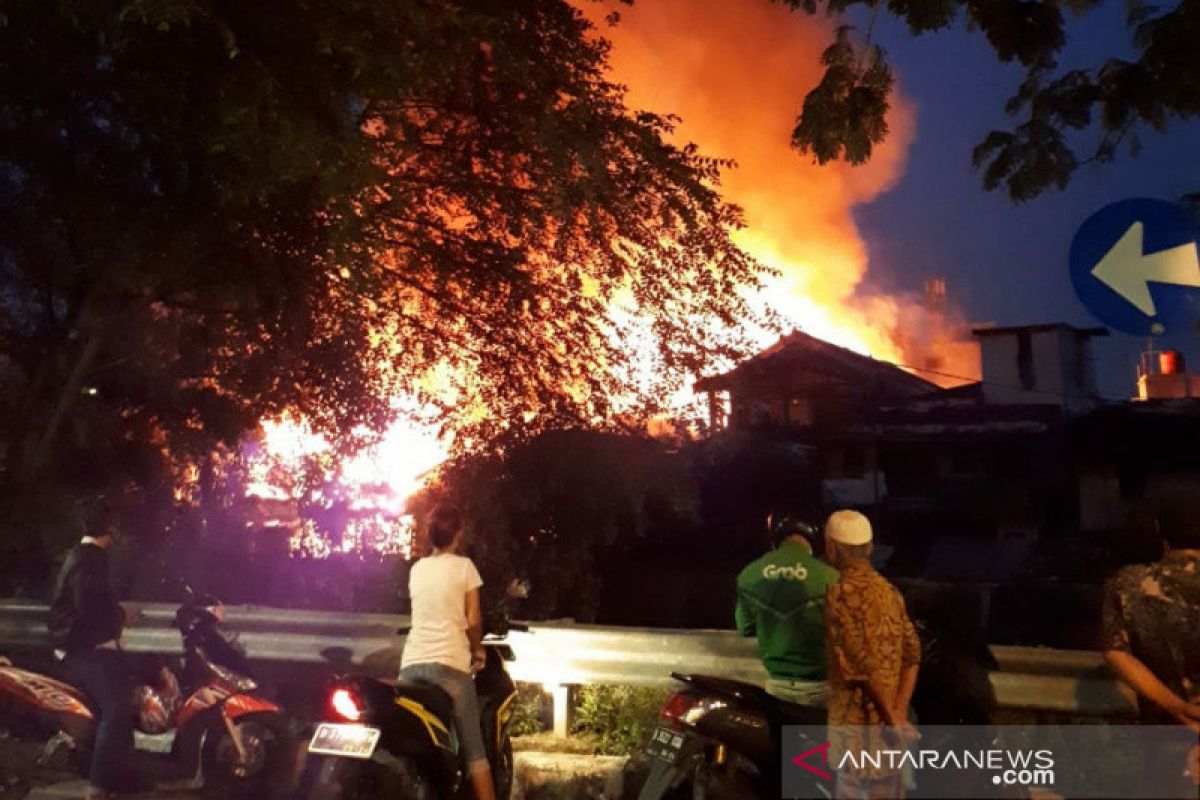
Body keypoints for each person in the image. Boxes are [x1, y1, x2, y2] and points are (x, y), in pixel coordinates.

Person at [400, 503, 495, 800]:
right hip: (450, 666)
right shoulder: (464, 567)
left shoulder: (417, 569)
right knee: (475, 749)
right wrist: (478, 652)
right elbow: (473, 619)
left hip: (411, 667)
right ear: (459, 533)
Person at [823, 510, 920, 800]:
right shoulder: (890, 592)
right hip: (889, 738)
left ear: (831, 548)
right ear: (870, 549)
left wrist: (891, 719)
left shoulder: (838, 594)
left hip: (856, 731)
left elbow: (860, 668)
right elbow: (913, 655)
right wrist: (899, 713)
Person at [46, 499, 133, 800]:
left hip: (83, 643)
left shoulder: (85, 555)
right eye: (115, 524)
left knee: (128, 693)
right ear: (109, 527)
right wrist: (116, 623)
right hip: (80, 647)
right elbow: (88, 606)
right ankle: (96, 786)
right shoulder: (90, 557)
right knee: (117, 708)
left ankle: (122, 778)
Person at [1102, 508, 1200, 728]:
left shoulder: (1128, 584)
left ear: (1160, 534)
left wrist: (1176, 707)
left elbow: (1116, 652)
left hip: (1164, 732)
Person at [735, 513, 839, 707]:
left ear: (777, 541)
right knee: (819, 738)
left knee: (783, 737)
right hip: (819, 685)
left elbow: (746, 628)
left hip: (777, 684)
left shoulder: (749, 574)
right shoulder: (830, 577)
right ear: (814, 543)